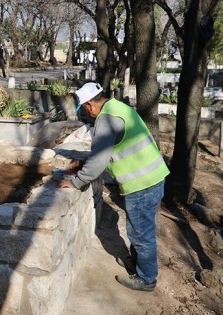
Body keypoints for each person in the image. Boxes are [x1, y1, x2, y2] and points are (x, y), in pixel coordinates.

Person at [54, 82, 170, 292]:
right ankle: (137, 264)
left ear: (89, 105)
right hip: (152, 177)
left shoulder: (106, 120)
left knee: (141, 234)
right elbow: (114, 148)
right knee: (141, 229)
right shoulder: (118, 107)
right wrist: (83, 163)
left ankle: (146, 279)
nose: (87, 115)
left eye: (85, 110)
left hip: (140, 183)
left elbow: (99, 162)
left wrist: (75, 182)